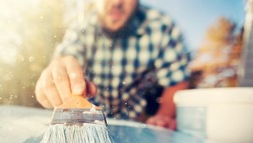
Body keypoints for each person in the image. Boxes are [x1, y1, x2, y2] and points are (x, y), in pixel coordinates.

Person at [35, 0, 190, 130]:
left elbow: (176, 80)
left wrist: (162, 117)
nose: (116, 2)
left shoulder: (161, 26)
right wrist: (58, 71)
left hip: (133, 124)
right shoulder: (81, 26)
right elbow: (67, 56)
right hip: (86, 124)